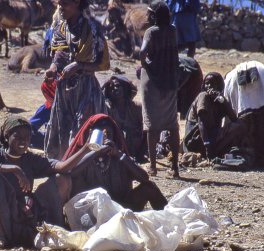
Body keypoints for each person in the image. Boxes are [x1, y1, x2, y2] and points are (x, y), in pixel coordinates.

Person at [0, 116, 96, 248]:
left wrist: (87, 149)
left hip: (23, 214)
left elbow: (63, 167)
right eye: (17, 136)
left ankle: (52, 229)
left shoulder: (30, 159)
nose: (23, 140)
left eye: (27, 137)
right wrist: (13, 169)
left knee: (62, 179)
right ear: (7, 136)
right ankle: (1, 235)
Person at [44, 0, 110, 159]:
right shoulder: (61, 27)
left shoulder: (91, 29)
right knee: (62, 129)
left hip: (85, 90)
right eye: (59, 4)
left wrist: (79, 66)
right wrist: (53, 68)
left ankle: (81, 170)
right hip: (64, 90)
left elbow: (101, 63)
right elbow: (59, 54)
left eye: (65, 4)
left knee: (83, 129)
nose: (61, 7)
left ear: (77, 4)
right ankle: (62, 169)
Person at [63, 114, 168, 211]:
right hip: (96, 212)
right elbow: (70, 173)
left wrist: (119, 155)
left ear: (114, 136)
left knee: (150, 187)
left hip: (122, 207)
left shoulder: (119, 157)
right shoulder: (86, 159)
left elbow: (144, 178)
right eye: (101, 135)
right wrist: (94, 151)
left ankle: (169, 220)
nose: (105, 138)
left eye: (108, 134)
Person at [140, 0, 180, 178]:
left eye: (149, 13)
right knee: (172, 124)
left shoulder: (151, 32)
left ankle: (153, 166)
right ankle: (175, 168)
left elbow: (142, 52)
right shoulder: (172, 31)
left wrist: (146, 66)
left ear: (154, 16)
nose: (147, 16)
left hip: (153, 83)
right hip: (170, 81)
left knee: (152, 125)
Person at [183, 72, 247, 160]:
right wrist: (207, 145)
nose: (209, 86)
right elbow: (202, 122)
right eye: (207, 83)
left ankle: (217, 151)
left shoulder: (219, 100)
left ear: (219, 86)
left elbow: (234, 119)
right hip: (195, 138)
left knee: (239, 126)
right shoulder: (203, 96)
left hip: (211, 136)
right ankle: (210, 151)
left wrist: (224, 102)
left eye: (212, 83)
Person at [102, 75, 147, 163]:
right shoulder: (108, 108)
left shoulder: (136, 107)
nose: (115, 89)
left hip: (135, 149)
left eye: (118, 86)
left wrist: (141, 153)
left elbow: (147, 130)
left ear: (125, 88)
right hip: (115, 150)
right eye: (111, 87)